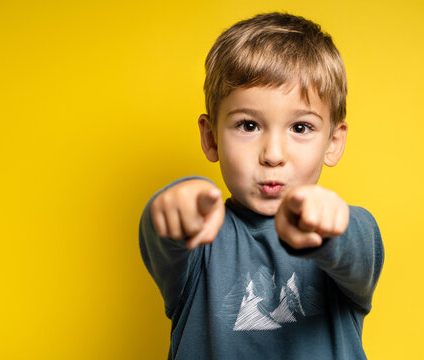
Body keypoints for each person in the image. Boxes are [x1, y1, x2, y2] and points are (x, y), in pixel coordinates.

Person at [139, 12, 384, 360]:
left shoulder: (349, 233)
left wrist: (332, 226)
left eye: (300, 128)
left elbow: (356, 247)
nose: (272, 155)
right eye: (248, 125)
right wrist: (176, 204)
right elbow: (163, 235)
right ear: (211, 138)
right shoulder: (202, 242)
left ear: (333, 142)